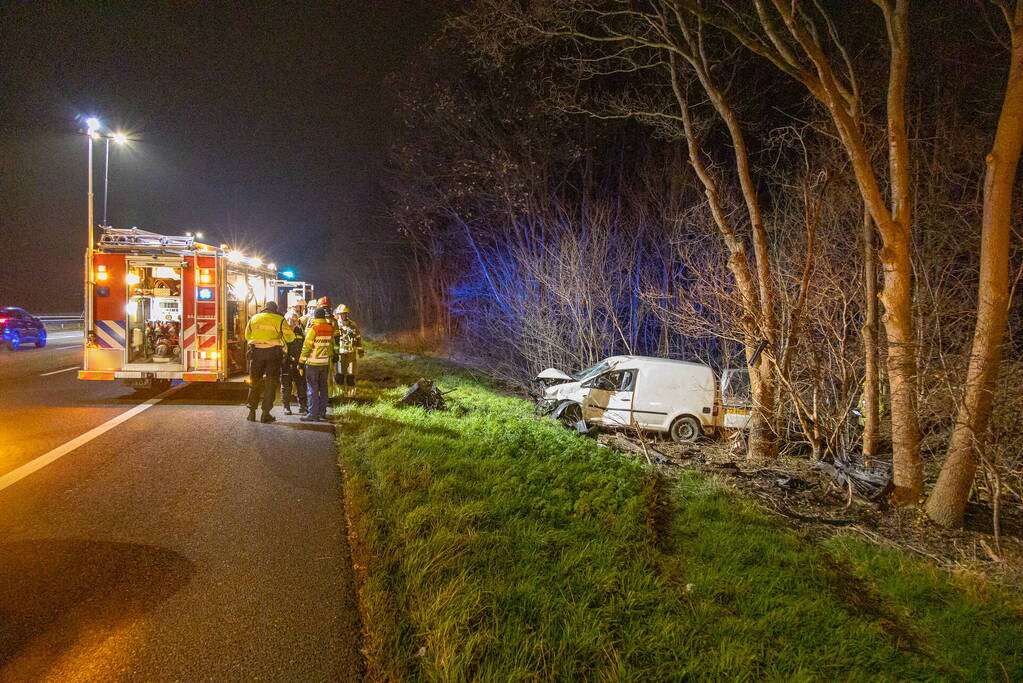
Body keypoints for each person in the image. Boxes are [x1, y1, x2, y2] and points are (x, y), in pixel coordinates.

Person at [244, 300, 295, 423]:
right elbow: (290, 337)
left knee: (254, 382)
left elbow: (247, 336)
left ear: (265, 308)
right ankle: (265, 414)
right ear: (275, 309)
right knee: (271, 383)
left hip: (256, 354)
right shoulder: (279, 319)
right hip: (273, 355)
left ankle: (251, 413)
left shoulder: (254, 318)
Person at [299, 306, 337, 421]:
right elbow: (331, 345)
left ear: (315, 316)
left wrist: (301, 361)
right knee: (324, 388)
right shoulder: (330, 328)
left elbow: (307, 347)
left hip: (313, 363)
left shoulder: (314, 329)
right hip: (324, 363)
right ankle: (322, 412)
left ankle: (312, 414)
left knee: (312, 389)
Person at [334, 303, 365, 399]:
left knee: (351, 375)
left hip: (351, 353)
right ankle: (339, 395)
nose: (344, 315)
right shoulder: (335, 325)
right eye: (342, 314)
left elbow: (358, 338)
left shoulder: (353, 325)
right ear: (338, 314)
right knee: (340, 375)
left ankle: (350, 396)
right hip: (340, 354)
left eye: (345, 313)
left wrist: (360, 350)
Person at [280, 310, 307, 416]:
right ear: (286, 320)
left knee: (301, 385)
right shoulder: (282, 332)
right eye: (291, 320)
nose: (293, 322)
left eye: (295, 320)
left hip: (298, 363)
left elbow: (305, 346)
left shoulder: (300, 332)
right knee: (286, 387)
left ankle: (302, 407)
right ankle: (286, 407)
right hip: (286, 364)